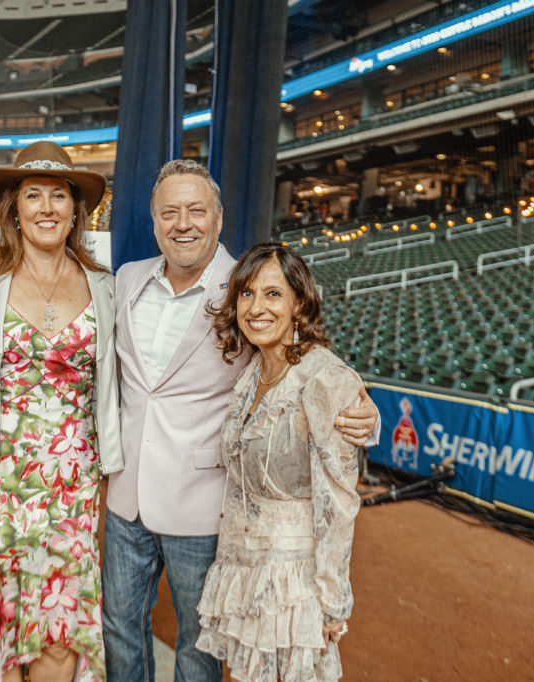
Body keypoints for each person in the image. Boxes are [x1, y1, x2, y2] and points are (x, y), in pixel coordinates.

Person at [102, 160, 380, 682]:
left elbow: (307, 365)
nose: (182, 223)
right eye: (169, 212)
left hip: (202, 508)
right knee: (118, 628)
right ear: (154, 220)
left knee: (200, 643)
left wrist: (365, 414)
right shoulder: (128, 278)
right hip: (125, 500)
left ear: (219, 217)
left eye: (195, 211)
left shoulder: (249, 286)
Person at [0, 141, 122, 682]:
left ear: (75, 210)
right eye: (33, 195)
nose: (46, 207)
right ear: (13, 208)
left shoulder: (106, 289)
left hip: (73, 489)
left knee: (58, 631)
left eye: (58, 196)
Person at [197, 243, 363, 682]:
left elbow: (339, 502)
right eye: (246, 294)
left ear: (299, 303)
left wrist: (332, 602)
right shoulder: (252, 371)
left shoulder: (324, 377)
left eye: (273, 294)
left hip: (297, 587)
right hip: (245, 571)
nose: (256, 307)